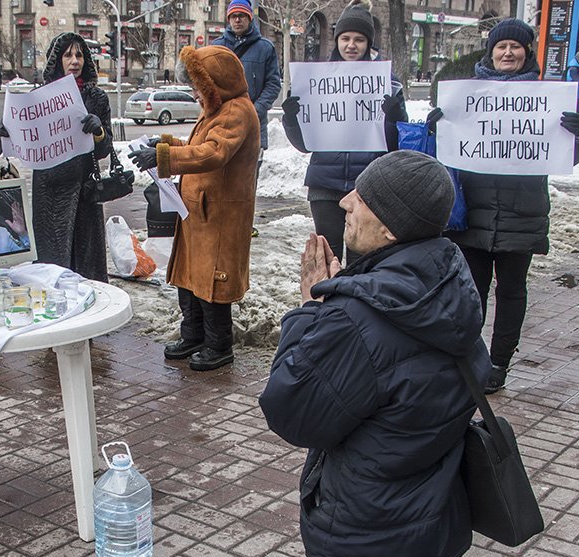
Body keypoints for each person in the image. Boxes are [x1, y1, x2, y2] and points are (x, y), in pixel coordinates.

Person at [258, 149, 579, 557]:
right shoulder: (448, 282)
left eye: (359, 198)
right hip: (425, 513)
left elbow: (291, 413)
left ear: (390, 227)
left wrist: (308, 313)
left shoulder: (358, 320)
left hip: (367, 529)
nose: (345, 203)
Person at [420, 19, 579, 393]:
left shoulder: (545, 99)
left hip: (522, 214)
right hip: (473, 213)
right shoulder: (468, 96)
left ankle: (499, 363)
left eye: (515, 46)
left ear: (526, 52)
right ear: (491, 52)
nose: (508, 53)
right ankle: (471, 359)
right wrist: (436, 128)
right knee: (471, 293)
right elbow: (442, 153)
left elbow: (565, 156)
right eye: (501, 47)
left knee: (512, 291)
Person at [128, 45, 259, 371]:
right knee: (190, 277)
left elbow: (213, 153)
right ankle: (194, 336)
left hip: (220, 216)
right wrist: (164, 145)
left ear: (215, 84)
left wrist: (164, 157)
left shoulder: (237, 111)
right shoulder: (217, 109)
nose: (195, 95)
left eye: (198, 87)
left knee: (211, 282)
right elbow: (196, 147)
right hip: (199, 212)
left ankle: (218, 345)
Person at [281, 1, 391, 263]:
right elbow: (303, 145)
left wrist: (395, 115)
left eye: (359, 39)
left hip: (365, 189)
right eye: (345, 38)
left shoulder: (385, 81)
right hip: (324, 186)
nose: (351, 45)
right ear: (337, 40)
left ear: (369, 43)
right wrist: (291, 118)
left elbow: (394, 142)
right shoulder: (316, 81)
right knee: (328, 256)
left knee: (360, 258)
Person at [4, 32, 112, 278]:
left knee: (88, 263)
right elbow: (26, 138)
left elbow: (104, 149)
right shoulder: (40, 98)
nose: (74, 61)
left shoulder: (96, 98)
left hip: (85, 190)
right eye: (68, 55)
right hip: (50, 191)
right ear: (57, 60)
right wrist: (9, 132)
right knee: (53, 265)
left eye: (79, 55)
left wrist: (98, 132)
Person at [212, 0, 281, 181]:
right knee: (220, 181)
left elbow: (273, 84)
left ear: (250, 18)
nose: (237, 20)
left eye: (242, 16)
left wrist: (253, 111)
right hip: (222, 125)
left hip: (253, 128)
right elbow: (207, 83)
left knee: (247, 184)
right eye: (233, 16)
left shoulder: (265, 48)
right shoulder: (216, 47)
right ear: (228, 19)